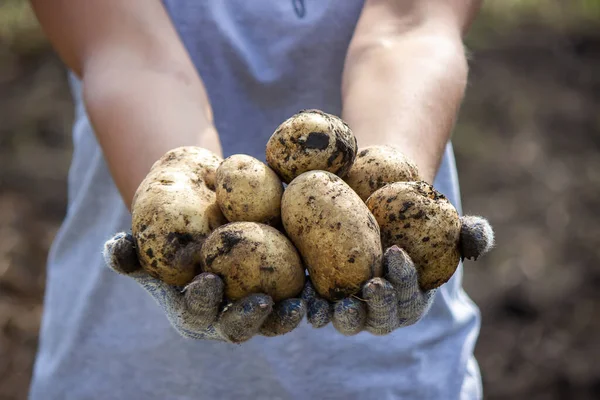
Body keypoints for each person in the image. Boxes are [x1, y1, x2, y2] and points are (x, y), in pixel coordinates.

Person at [28, 0, 484, 398]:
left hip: (396, 378)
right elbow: (131, 55)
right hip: (132, 371)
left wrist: (394, 208)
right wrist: (179, 246)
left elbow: (409, 27)